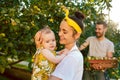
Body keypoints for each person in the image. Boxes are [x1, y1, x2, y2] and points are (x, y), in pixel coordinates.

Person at [47, 6, 85, 80]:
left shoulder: (73, 57)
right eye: (60, 30)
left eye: (65, 31)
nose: (60, 34)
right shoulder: (65, 53)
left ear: (77, 35)